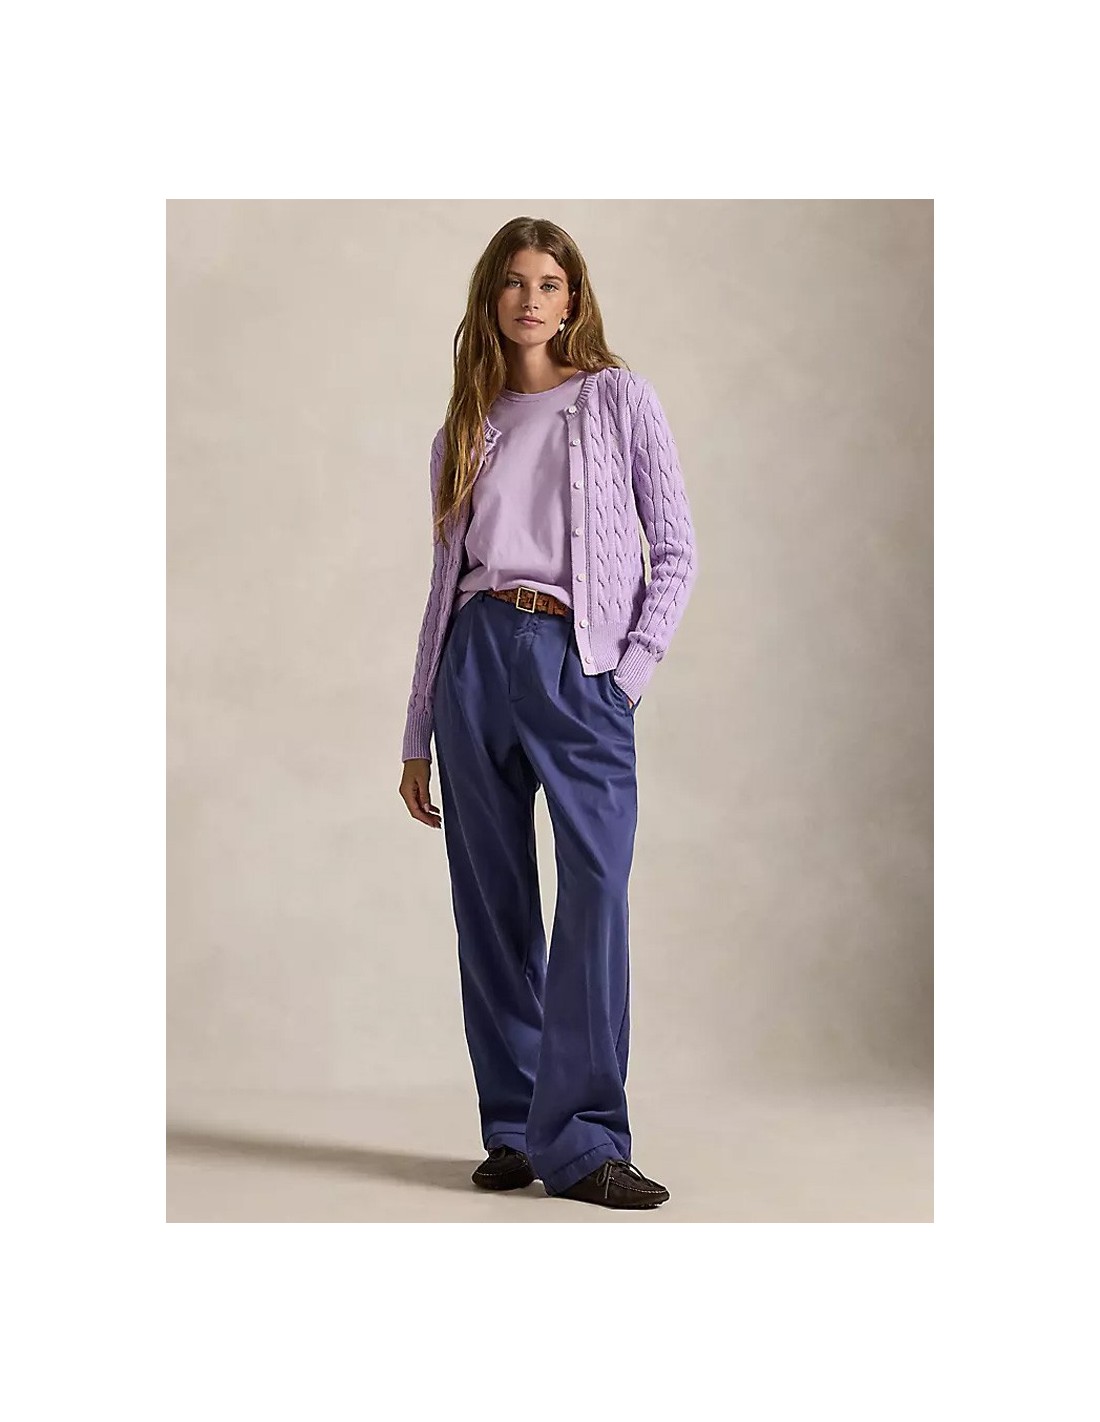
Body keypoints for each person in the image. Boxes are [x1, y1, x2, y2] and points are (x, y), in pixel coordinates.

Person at [398, 217, 698, 1210]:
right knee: (490, 907)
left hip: (580, 663)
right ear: (491, 298)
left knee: (595, 894)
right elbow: (441, 588)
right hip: (476, 658)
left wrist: (627, 675)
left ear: (572, 300)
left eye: (549, 283)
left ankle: (587, 1141)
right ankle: (515, 1128)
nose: (531, 299)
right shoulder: (463, 428)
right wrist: (416, 731)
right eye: (514, 282)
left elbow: (676, 550)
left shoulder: (617, 399)